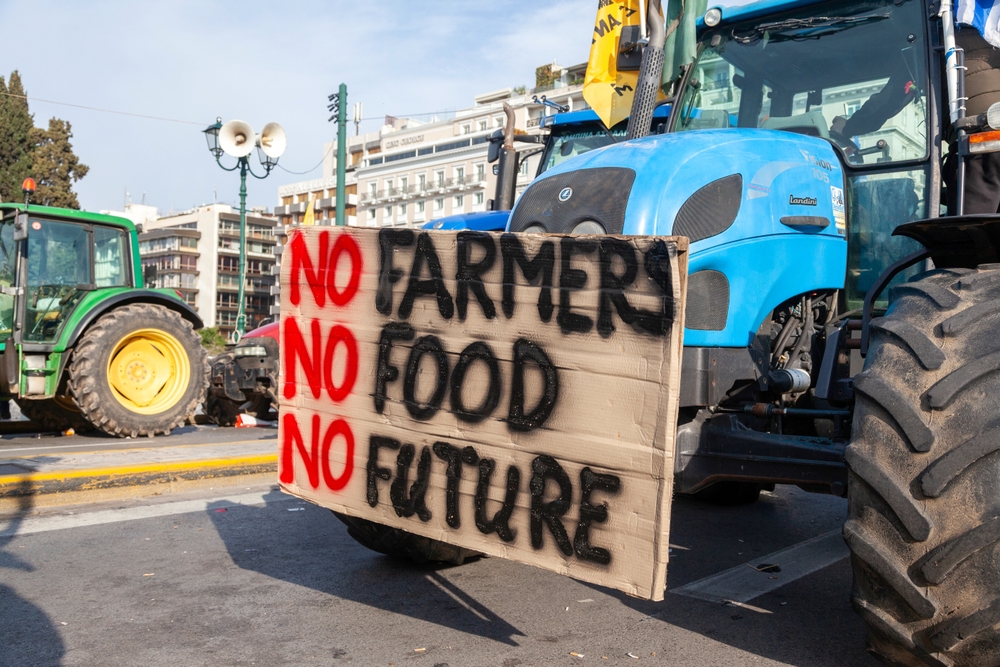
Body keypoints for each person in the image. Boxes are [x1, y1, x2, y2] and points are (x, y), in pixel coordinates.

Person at [946, 28, 1000, 214]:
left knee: (970, 234)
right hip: (989, 133)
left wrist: (853, 126)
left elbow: (889, 99)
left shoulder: (936, 39)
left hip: (977, 144)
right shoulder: (993, 28)